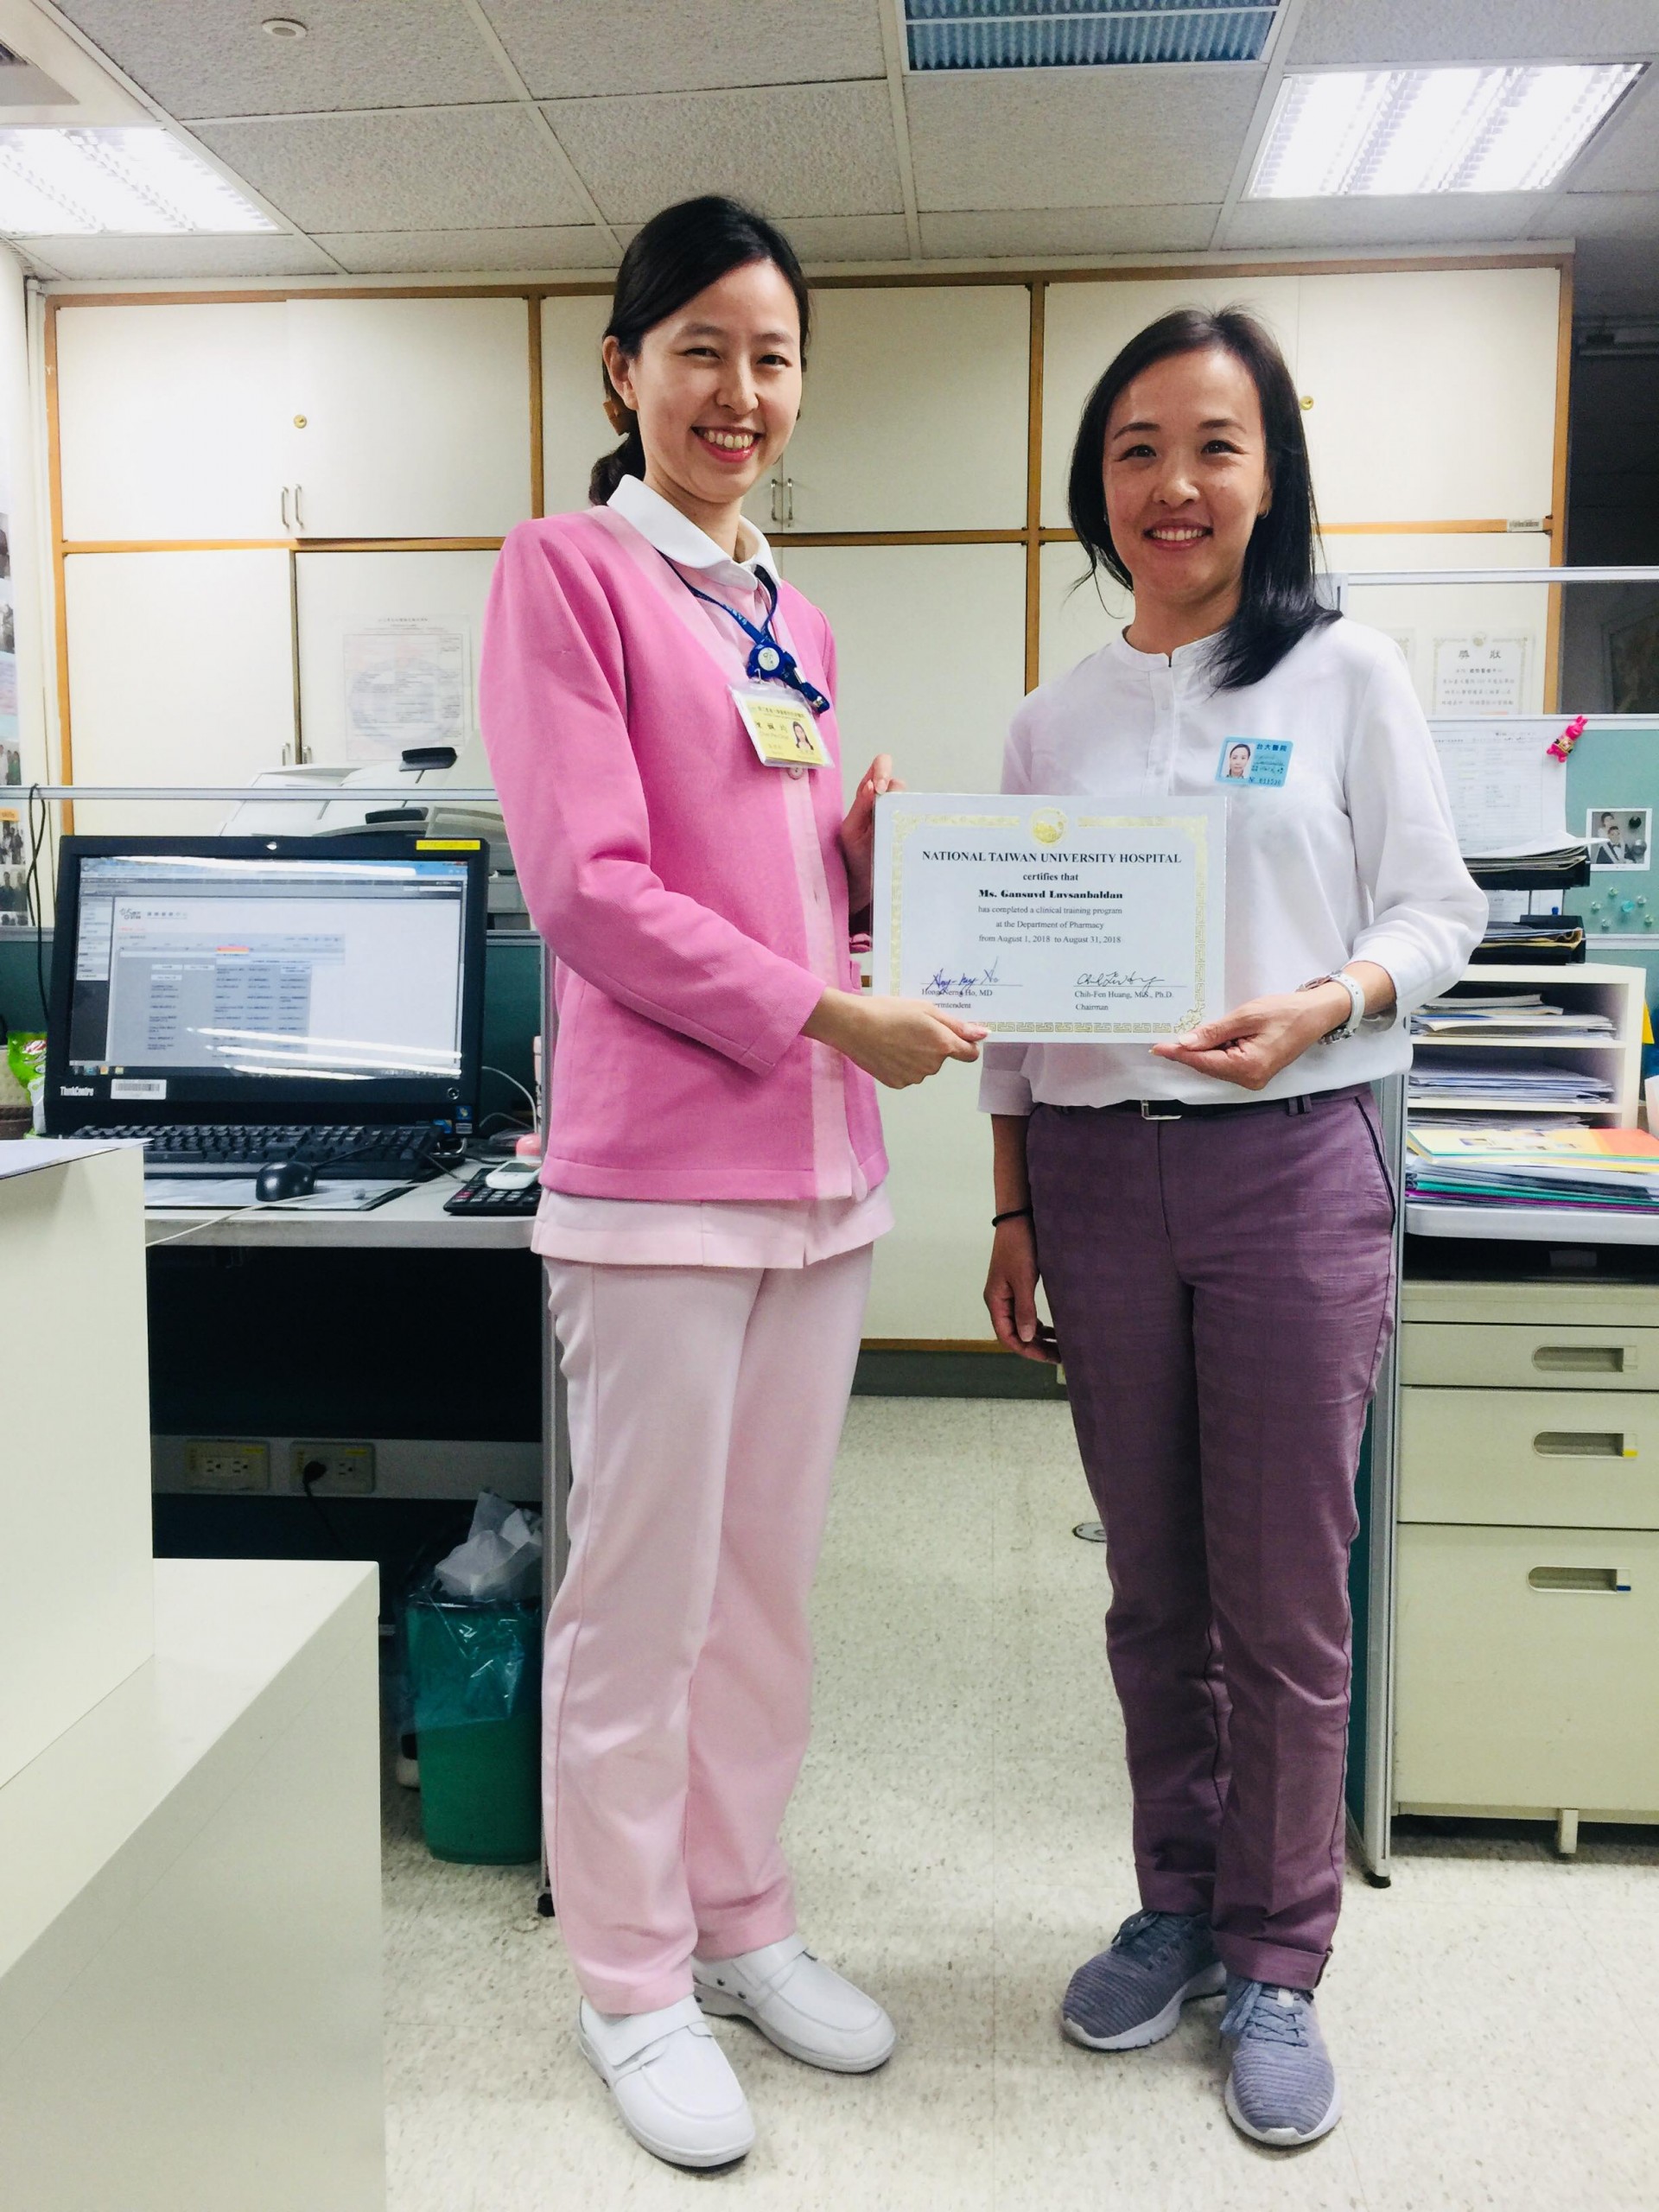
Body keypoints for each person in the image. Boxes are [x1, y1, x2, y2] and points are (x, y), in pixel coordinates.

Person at [480, 196, 985, 2171]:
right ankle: (629, 1974)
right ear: (624, 369)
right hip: (660, 1183)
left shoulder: (793, 617)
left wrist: (858, 869)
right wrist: (831, 1007)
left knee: (765, 1588)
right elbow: (594, 893)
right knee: (642, 1598)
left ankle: (742, 1913)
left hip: (818, 1176)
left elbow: (757, 881)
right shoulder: (568, 573)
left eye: (773, 356)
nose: (740, 391)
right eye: (701, 347)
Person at [980, 307, 1484, 2149]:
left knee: (1282, 1592)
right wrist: (1012, 1198)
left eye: (1215, 445)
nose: (1174, 484)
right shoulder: (1052, 719)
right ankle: (1176, 1905)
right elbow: (1015, 985)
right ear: (1095, 485)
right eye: (1137, 449)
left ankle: (1278, 1955)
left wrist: (1329, 999)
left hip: (1293, 1164)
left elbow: (1439, 912)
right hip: (1097, 1175)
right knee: (1154, 1587)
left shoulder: (1347, 672)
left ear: (1271, 476)